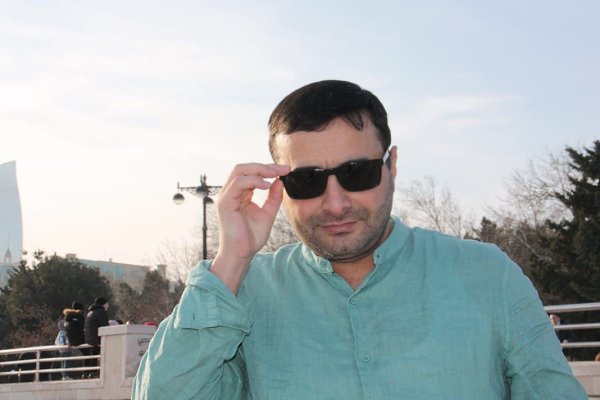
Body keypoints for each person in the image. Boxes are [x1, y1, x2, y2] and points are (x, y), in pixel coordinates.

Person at [132, 80, 587, 399]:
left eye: (357, 173)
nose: (335, 204)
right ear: (279, 187)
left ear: (392, 166)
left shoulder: (488, 276)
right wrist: (232, 259)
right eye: (308, 180)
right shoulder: (242, 292)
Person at [84, 296, 110, 377]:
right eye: (107, 304)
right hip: (97, 339)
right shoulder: (101, 312)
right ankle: (95, 372)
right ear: (103, 304)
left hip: (89, 339)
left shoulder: (90, 312)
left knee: (92, 355)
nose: (108, 306)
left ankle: (88, 372)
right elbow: (105, 326)